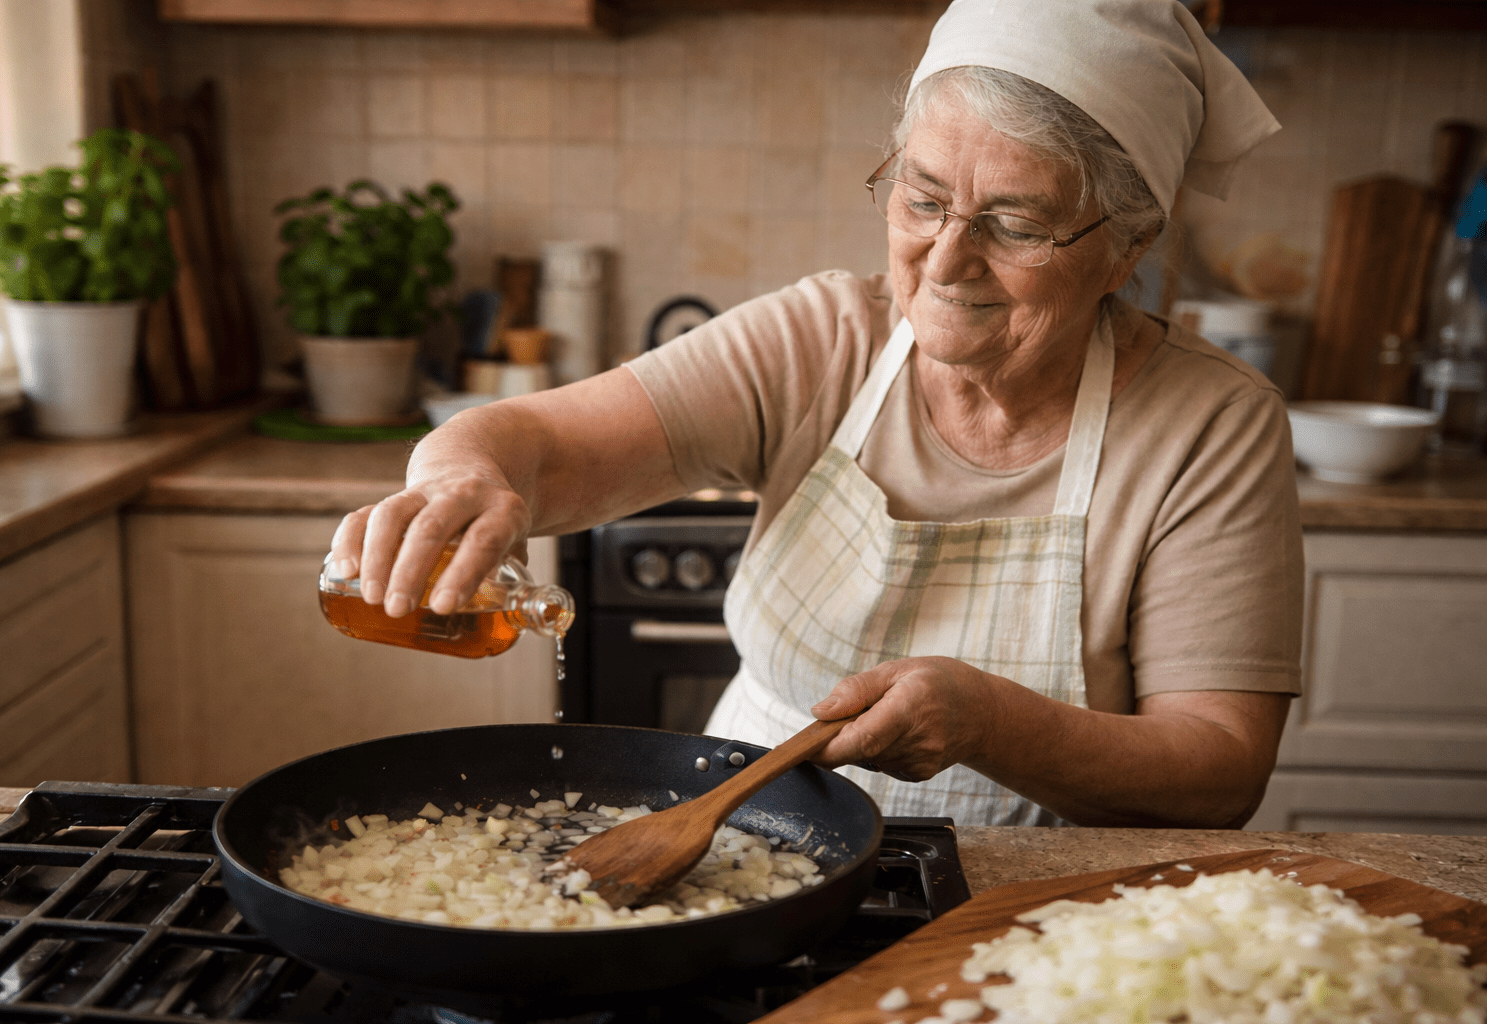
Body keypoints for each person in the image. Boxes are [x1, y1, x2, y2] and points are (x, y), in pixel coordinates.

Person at [330, 0, 1303, 828]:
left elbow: (1218, 766)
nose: (947, 258)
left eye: (1013, 224)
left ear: (1126, 244)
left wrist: (987, 723)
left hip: (1039, 917)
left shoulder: (1209, 426)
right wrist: (464, 476)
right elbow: (538, 441)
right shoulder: (826, 336)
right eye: (922, 199)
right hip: (744, 844)